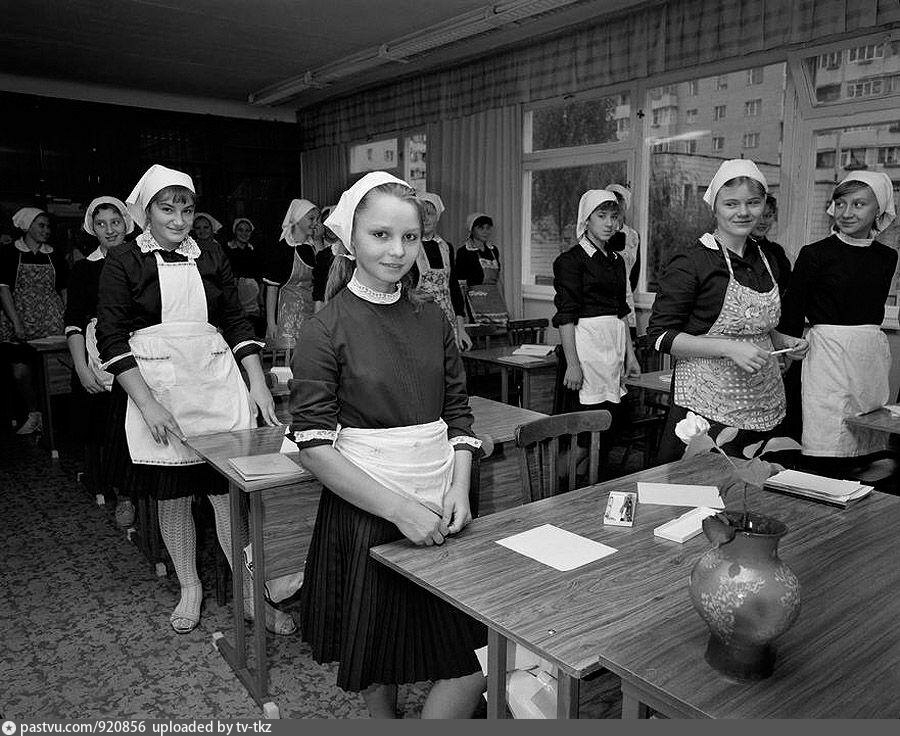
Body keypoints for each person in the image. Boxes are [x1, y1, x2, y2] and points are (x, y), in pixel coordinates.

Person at [290, 172, 486, 718]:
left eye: (410, 237)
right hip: (369, 513)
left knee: (472, 654)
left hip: (443, 502)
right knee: (377, 648)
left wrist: (460, 487)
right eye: (381, 235)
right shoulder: (324, 328)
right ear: (350, 238)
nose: (398, 251)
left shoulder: (432, 317)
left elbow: (457, 414)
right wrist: (400, 511)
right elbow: (313, 446)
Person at [97, 164, 294, 636]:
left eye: (186, 210)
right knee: (174, 496)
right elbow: (111, 339)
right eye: (167, 210)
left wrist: (257, 382)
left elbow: (236, 321)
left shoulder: (211, 254)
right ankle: (190, 586)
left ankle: (250, 596)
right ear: (147, 212)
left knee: (227, 496)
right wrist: (148, 404)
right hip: (158, 391)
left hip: (214, 385)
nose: (179, 220)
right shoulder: (125, 260)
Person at [648, 159, 808, 463]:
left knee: (757, 480)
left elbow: (755, 325)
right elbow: (659, 336)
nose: (743, 212)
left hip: (762, 400)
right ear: (715, 207)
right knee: (707, 484)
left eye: (753, 203)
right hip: (707, 406)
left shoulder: (767, 260)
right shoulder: (692, 262)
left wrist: (783, 341)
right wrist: (728, 348)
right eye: (731, 203)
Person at [780, 171, 898, 470]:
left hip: (868, 358)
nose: (846, 212)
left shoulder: (887, 257)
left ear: (879, 209)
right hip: (826, 358)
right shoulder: (815, 254)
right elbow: (792, 311)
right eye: (841, 203)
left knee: (866, 441)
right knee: (825, 444)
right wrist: (787, 353)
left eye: (858, 204)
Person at [65, 196, 135, 526]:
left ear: (127, 223)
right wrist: (81, 368)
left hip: (139, 351)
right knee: (112, 431)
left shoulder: (143, 260)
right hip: (98, 357)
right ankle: (124, 495)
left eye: (115, 221)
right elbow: (74, 322)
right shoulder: (84, 269)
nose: (109, 229)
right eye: (101, 223)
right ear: (92, 228)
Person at [553, 189, 641, 425]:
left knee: (610, 422)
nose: (609, 223)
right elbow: (565, 317)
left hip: (612, 349)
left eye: (614, 217)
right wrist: (572, 364)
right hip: (585, 352)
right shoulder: (570, 261)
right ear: (587, 219)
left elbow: (622, 310)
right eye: (601, 216)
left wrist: (630, 356)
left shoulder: (617, 260)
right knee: (583, 425)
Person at [0, 207, 68, 435]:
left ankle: (53, 422)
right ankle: (33, 413)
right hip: (19, 318)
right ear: (27, 226)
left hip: (51, 320)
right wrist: (16, 323)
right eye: (41, 225)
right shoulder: (10, 252)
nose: (46, 230)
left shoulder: (54, 254)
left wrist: (67, 317)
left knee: (52, 371)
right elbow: (3, 289)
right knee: (21, 372)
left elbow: (63, 288)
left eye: (48, 226)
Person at [416, 192, 472, 350]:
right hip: (419, 319)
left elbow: (454, 289)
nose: (426, 219)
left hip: (448, 320)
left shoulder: (446, 247)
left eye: (430, 214)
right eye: (421, 214)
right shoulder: (408, 247)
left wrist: (461, 329)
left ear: (438, 217)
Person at [263, 199, 320, 344]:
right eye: (311, 219)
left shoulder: (312, 249)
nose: (316, 223)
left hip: (310, 316)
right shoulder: (282, 250)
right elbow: (272, 289)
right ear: (297, 219)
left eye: (317, 219)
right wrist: (271, 323)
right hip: (286, 321)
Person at [605, 184, 640, 337]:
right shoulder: (599, 234)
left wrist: (624, 288)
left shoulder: (633, 236)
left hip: (625, 300)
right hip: (600, 302)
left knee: (627, 343)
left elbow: (635, 273)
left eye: (619, 206)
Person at [224, 217, 264, 338]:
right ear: (234, 231)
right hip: (234, 298)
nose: (244, 233)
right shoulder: (226, 250)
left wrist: (261, 302)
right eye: (240, 230)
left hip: (252, 301)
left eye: (247, 230)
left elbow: (260, 278)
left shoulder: (254, 252)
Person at [456, 212, 501, 286]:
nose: (485, 232)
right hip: (473, 292)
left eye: (488, 228)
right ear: (471, 230)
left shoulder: (493, 250)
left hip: (493, 291)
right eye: (481, 228)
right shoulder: (464, 251)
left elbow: (498, 277)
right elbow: (460, 279)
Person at [312, 204, 337, 313]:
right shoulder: (312, 243)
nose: (329, 228)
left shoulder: (346, 248)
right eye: (325, 223)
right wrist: (317, 241)